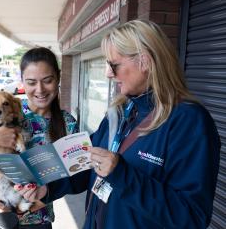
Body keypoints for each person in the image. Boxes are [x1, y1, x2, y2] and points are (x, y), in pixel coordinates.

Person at [16, 20, 221, 229]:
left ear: (145, 61)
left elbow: (192, 217)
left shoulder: (189, 122)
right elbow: (86, 168)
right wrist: (48, 188)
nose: (108, 73)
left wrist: (122, 175)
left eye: (114, 64)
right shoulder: (119, 112)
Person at [0, 47, 79, 229]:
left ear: (58, 77)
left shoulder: (68, 123)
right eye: (31, 82)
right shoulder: (5, 109)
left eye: (47, 81)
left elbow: (72, 178)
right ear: (22, 82)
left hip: (36, 219)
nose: (40, 89)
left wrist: (23, 209)